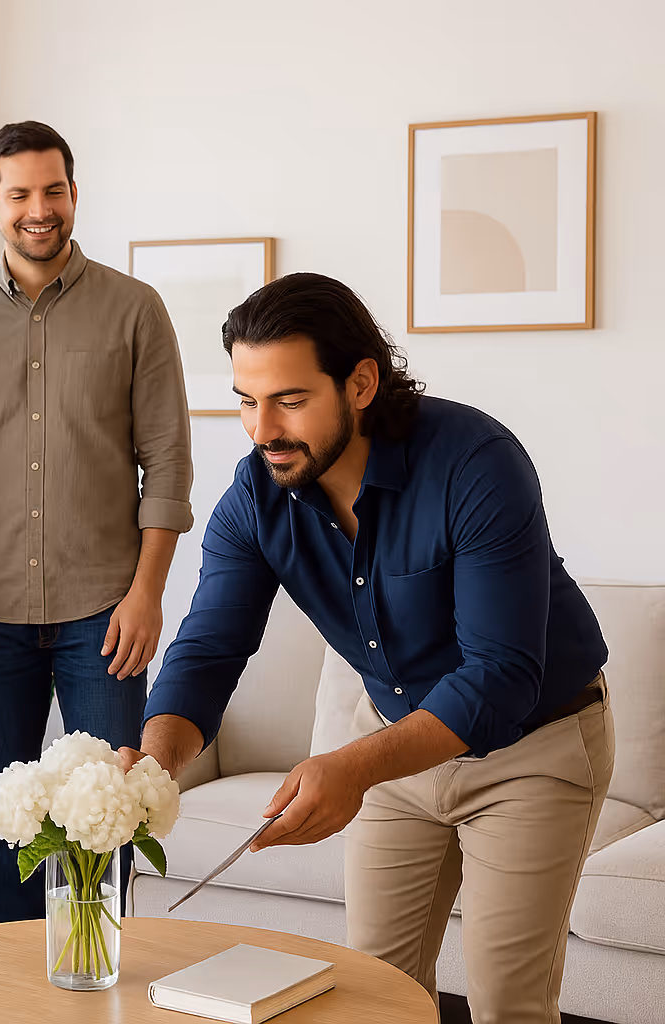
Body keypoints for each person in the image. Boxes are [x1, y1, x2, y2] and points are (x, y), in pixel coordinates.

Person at [124, 273, 613, 1024]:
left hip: (532, 750)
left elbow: (501, 674)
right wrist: (156, 761)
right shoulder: (254, 499)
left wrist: (350, 769)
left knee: (507, 1003)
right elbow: (208, 649)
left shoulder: (475, 462)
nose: (261, 430)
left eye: (288, 400)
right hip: (395, 743)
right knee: (375, 993)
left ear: (360, 383)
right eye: (246, 401)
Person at [0, 120, 193, 923]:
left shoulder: (135, 310)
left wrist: (146, 595)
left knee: (108, 817)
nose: (38, 210)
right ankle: (16, 996)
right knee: (1, 819)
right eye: (19, 195)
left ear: (74, 195)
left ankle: (94, 983)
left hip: (104, 616)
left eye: (52, 191)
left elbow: (169, 465)